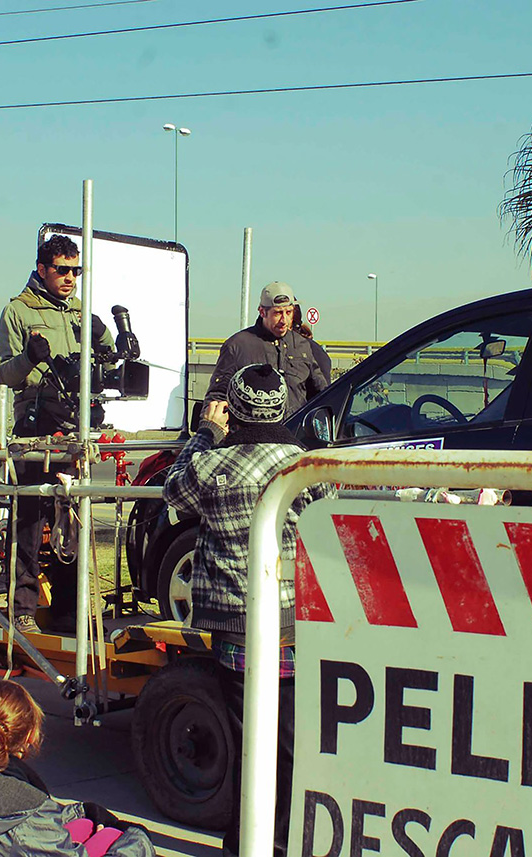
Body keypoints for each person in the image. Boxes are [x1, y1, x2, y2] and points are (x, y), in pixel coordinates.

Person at [162, 363, 334, 857]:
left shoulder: (211, 465)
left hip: (236, 629)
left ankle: (246, 843)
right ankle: (286, 840)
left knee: (248, 743)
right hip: (294, 624)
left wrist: (206, 432)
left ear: (234, 410)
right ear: (280, 408)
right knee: (292, 742)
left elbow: (173, 490)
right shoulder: (303, 465)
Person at [0, 234, 117, 633]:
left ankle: (69, 610)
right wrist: (28, 357)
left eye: (76, 270)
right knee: (29, 521)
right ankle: (23, 610)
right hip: (36, 426)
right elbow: (3, 373)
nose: (70, 278)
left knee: (72, 520)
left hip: (74, 423)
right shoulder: (18, 311)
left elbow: (107, 360)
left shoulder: (80, 310)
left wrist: (103, 334)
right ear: (42, 269)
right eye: (62, 270)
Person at [0, 679, 154, 857]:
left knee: (85, 825)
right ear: (30, 738)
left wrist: (84, 811)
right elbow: (30, 826)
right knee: (114, 838)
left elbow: (32, 822)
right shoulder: (24, 811)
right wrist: (136, 836)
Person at [205, 282, 330, 421]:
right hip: (252, 432)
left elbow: (322, 393)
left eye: (288, 312)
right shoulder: (237, 346)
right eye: (278, 313)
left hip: (294, 432)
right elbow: (217, 396)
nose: (284, 320)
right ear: (262, 312)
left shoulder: (302, 346)